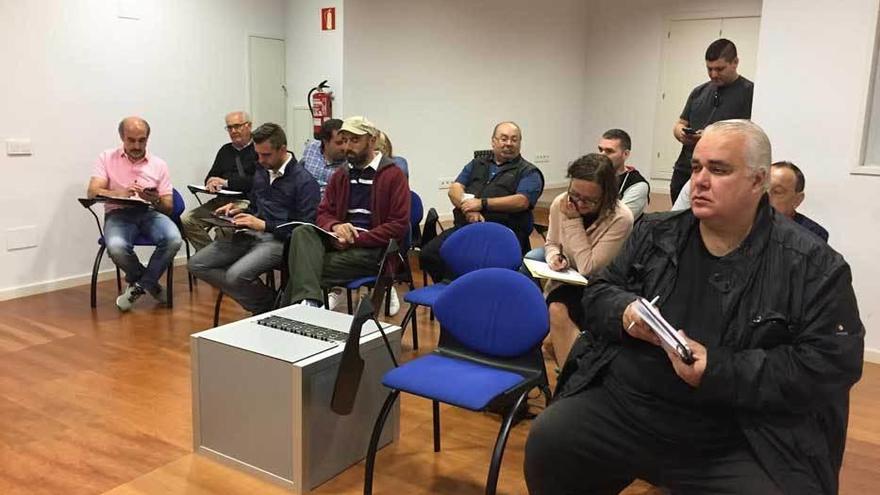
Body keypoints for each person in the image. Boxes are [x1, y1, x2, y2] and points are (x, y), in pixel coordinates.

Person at [525, 120, 864, 495]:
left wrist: (719, 369)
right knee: (550, 442)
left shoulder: (813, 265)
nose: (699, 180)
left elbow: (831, 364)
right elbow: (600, 291)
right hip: (632, 404)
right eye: (697, 167)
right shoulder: (655, 233)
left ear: (758, 182)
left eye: (718, 170)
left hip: (738, 428)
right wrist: (625, 313)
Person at [188, 123, 319, 315]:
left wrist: (265, 225)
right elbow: (256, 205)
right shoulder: (262, 170)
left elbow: (305, 228)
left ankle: (267, 308)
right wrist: (236, 211)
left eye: (266, 155)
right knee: (197, 264)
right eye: (258, 154)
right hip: (252, 233)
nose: (261, 160)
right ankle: (271, 304)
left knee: (235, 276)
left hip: (280, 241)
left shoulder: (304, 182)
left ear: (282, 149)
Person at [285, 116, 410, 307]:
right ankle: (309, 303)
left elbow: (398, 226)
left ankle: (304, 308)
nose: (347, 147)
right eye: (344, 141)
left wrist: (355, 239)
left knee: (302, 265)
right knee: (302, 232)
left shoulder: (393, 176)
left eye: (355, 140)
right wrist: (335, 226)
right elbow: (323, 212)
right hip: (339, 244)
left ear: (372, 140)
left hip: (374, 251)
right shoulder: (341, 175)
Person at [420, 121, 544, 283]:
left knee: (477, 269)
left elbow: (522, 201)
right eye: (503, 138)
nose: (509, 143)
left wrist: (482, 204)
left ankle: (470, 291)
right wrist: (469, 209)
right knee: (428, 254)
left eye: (514, 139)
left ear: (520, 143)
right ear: (493, 141)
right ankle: (453, 290)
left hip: (501, 235)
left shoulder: (528, 171)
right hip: (466, 227)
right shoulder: (477, 164)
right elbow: (454, 189)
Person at [543, 154, 633, 368]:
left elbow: (589, 268)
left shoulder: (621, 217)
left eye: (589, 200)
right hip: (565, 279)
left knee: (558, 310)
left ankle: (572, 379)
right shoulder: (561, 203)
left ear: (606, 196)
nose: (579, 203)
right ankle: (571, 373)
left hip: (599, 287)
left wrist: (573, 221)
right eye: (574, 194)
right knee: (553, 309)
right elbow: (551, 243)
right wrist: (555, 257)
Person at [87, 116, 183, 312]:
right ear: (122, 137)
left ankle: (139, 286)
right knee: (116, 246)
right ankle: (151, 285)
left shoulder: (159, 164)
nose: (137, 145)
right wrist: (118, 193)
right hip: (118, 213)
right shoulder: (106, 158)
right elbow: (93, 191)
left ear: (148, 138)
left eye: (142, 140)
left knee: (174, 239)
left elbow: (168, 206)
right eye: (131, 140)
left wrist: (153, 199)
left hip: (149, 212)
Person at [670, 38, 754, 201]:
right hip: (686, 168)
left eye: (720, 69)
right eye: (709, 69)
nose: (714, 74)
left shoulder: (750, 93)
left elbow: (749, 135)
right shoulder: (698, 92)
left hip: (719, 172)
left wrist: (710, 137)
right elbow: (681, 123)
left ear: (735, 62)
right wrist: (681, 133)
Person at [181, 111, 259, 251]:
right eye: (229, 128)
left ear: (249, 126)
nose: (233, 131)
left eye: (237, 126)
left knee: (225, 230)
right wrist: (211, 182)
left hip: (245, 202)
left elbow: (255, 181)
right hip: (220, 201)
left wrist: (225, 182)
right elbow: (211, 176)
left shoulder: (259, 149)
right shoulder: (225, 150)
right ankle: (210, 257)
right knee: (187, 220)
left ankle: (215, 260)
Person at [769, 161, 829, 242]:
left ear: (798, 200)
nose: (765, 197)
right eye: (762, 189)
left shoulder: (812, 234)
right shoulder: (749, 224)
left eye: (777, 192)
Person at [597, 129, 650, 220]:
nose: (602, 155)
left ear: (625, 154)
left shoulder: (637, 185)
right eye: (600, 150)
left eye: (609, 151)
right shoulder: (592, 175)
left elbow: (618, 221)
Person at [300, 118, 347, 193]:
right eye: (339, 143)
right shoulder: (311, 148)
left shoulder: (349, 163)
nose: (344, 147)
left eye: (346, 141)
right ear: (325, 141)